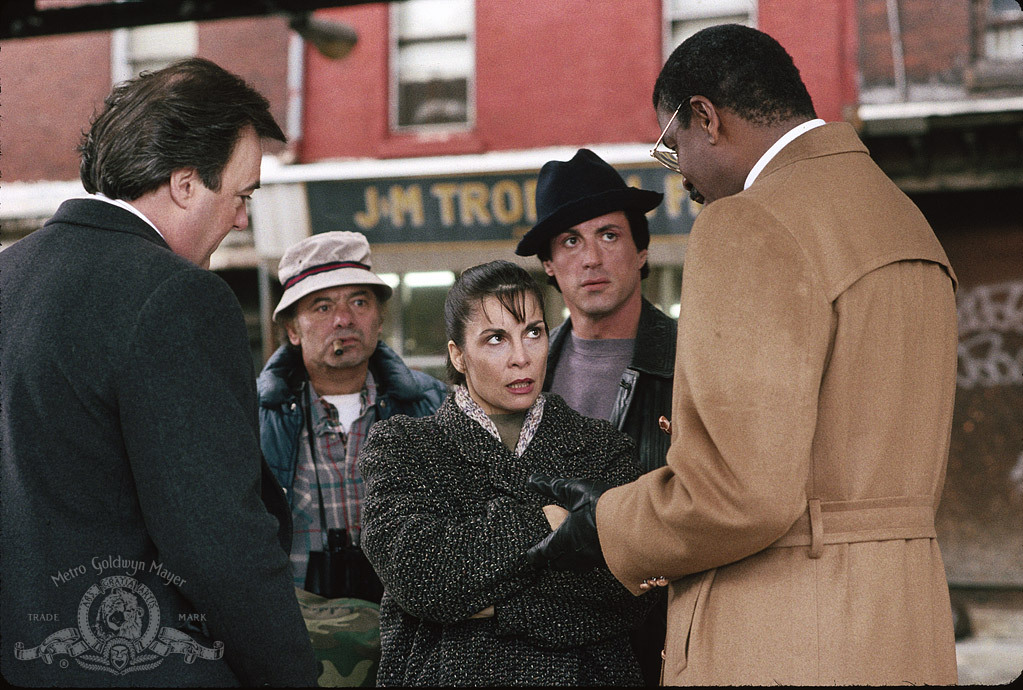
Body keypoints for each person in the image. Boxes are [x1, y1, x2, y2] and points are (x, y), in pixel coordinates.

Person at [526, 24, 959, 686]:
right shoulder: (904, 220)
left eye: (675, 149)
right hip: (903, 626)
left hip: (783, 632)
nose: (686, 176)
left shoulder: (750, 221)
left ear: (706, 116)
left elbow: (736, 494)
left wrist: (601, 525)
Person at [0, 58, 317, 686]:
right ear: (184, 183)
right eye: (241, 195)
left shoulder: (8, 277)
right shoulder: (179, 299)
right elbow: (218, 541)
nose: (240, 219)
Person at [359, 260, 652, 686]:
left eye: (533, 332)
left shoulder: (600, 446)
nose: (521, 357)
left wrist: (492, 607)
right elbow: (421, 576)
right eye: (496, 339)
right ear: (458, 355)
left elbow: (631, 590)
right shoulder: (405, 446)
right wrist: (546, 521)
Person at [514, 148, 675, 684]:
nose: (591, 258)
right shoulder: (521, 375)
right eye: (570, 241)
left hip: (664, 643)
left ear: (642, 250)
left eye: (609, 235)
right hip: (546, 652)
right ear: (549, 267)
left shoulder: (693, 362)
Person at [258, 230, 447, 601]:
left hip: (409, 631)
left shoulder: (432, 404)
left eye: (360, 302)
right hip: (298, 631)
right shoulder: (254, 416)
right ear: (293, 330)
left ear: (379, 319)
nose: (344, 319)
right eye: (323, 307)